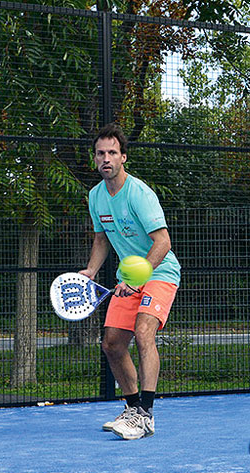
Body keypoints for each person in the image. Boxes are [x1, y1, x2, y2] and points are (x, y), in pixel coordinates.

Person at [80, 123, 181, 441]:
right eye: (100, 153)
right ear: (95, 159)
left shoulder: (139, 194)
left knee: (142, 333)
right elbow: (101, 239)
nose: (106, 158)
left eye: (112, 152)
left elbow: (162, 242)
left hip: (160, 272)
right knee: (111, 344)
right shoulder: (96, 197)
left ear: (123, 157)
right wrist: (91, 272)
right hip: (128, 278)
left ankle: (146, 414)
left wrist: (135, 278)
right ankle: (133, 409)